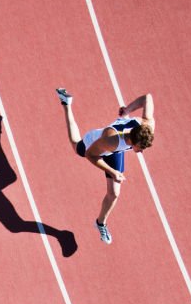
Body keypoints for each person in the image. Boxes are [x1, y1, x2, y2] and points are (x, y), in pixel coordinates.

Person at [56, 89, 155, 244]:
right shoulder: (110, 141)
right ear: (132, 142)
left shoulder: (147, 125)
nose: (141, 151)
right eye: (140, 148)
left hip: (116, 149)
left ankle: (100, 223)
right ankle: (66, 104)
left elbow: (147, 98)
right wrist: (112, 172)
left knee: (114, 193)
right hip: (96, 143)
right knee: (76, 145)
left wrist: (127, 110)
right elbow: (91, 155)